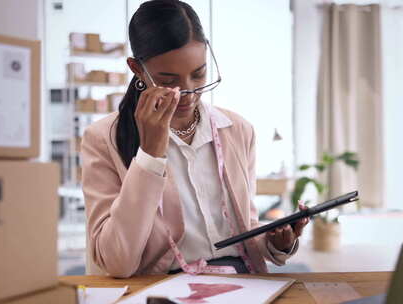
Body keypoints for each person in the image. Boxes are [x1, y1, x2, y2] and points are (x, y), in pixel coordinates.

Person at [81, 0, 308, 278]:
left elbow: (245, 230)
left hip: (241, 280)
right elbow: (118, 262)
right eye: (168, 79)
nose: (188, 91)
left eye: (198, 74)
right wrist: (150, 155)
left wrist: (276, 243)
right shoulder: (102, 139)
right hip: (162, 286)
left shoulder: (238, 130)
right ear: (138, 70)